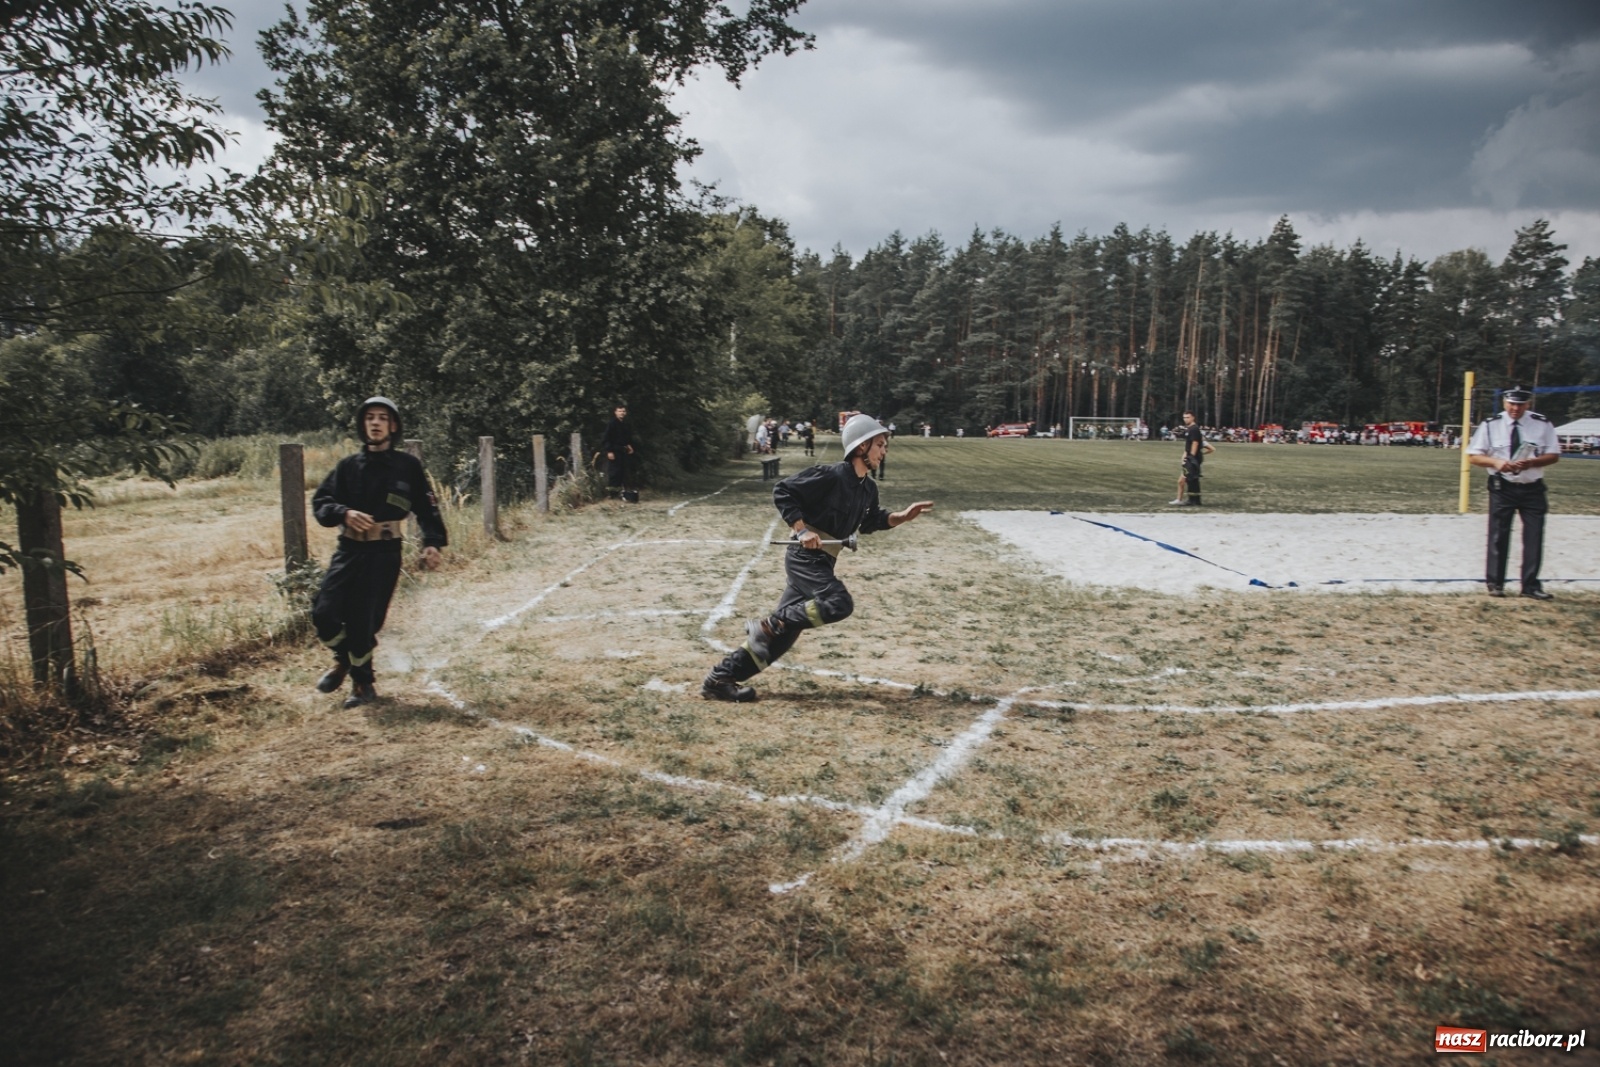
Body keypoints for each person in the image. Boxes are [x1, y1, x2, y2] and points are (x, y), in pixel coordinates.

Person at [700, 414, 935, 702]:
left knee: (781, 641)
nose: (884, 451)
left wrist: (902, 517)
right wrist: (800, 530)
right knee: (838, 603)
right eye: (880, 445)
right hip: (804, 557)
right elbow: (783, 491)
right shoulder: (832, 475)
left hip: (823, 561)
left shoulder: (868, 489)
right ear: (861, 447)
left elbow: (872, 521)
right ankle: (769, 624)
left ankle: (720, 679)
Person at [311, 397, 447, 707]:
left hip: (385, 552)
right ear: (363, 425)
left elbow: (426, 506)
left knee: (363, 620)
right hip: (349, 549)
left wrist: (432, 542)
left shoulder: (406, 466)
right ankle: (344, 658)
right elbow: (321, 503)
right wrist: (343, 513)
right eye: (369, 418)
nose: (374, 423)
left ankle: (363, 685)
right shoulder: (347, 467)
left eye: (382, 418)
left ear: (393, 426)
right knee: (324, 612)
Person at [1467, 386, 1560, 600]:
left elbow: (1554, 454)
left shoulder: (1541, 424)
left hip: (1532, 486)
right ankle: (1495, 583)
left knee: (1534, 536)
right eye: (1512, 403)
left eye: (1520, 404)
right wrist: (1497, 462)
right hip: (1503, 487)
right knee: (1498, 535)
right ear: (1504, 403)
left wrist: (1533, 462)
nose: (1515, 408)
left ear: (1528, 404)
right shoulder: (1491, 425)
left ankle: (1530, 585)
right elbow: (1473, 456)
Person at [1169, 411, 1212, 506]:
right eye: (1184, 417)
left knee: (1187, 479)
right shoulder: (1189, 429)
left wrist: (1191, 457)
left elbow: (1195, 443)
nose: (1185, 419)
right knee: (1190, 480)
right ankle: (1193, 500)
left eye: (1188, 417)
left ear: (1193, 418)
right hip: (1191, 457)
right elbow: (1188, 445)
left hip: (1192, 458)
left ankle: (1191, 500)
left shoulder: (1194, 429)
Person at [601, 403, 640, 502]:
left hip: (623, 451)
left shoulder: (625, 424)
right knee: (615, 473)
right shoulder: (612, 424)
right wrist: (609, 451)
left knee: (623, 472)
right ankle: (612, 494)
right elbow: (606, 438)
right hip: (614, 451)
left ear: (625, 413)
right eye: (619, 411)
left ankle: (622, 493)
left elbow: (626, 438)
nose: (621, 413)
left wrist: (629, 446)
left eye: (623, 411)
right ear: (615, 412)